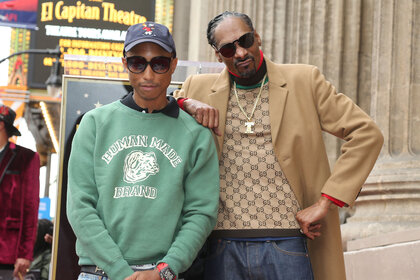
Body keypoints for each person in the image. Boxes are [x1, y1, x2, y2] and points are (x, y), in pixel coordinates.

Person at [174, 11, 384, 280]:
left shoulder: (304, 81)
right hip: (221, 244)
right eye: (228, 48)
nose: (239, 53)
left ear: (257, 38)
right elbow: (159, 109)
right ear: (217, 55)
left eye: (245, 40)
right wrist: (185, 103)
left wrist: (326, 201)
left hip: (291, 242)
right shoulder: (197, 88)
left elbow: (366, 133)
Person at [67, 21, 220, 280]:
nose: (148, 75)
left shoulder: (196, 134)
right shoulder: (94, 123)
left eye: (158, 63)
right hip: (99, 272)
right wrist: (119, 270)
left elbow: (201, 212)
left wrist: (164, 270)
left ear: (173, 64)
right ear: (125, 64)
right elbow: (80, 207)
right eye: (138, 63)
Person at [0, 105, 40, 280]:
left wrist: (25, 254)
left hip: (7, 253)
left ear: (1, 125)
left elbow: (30, 209)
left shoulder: (27, 158)